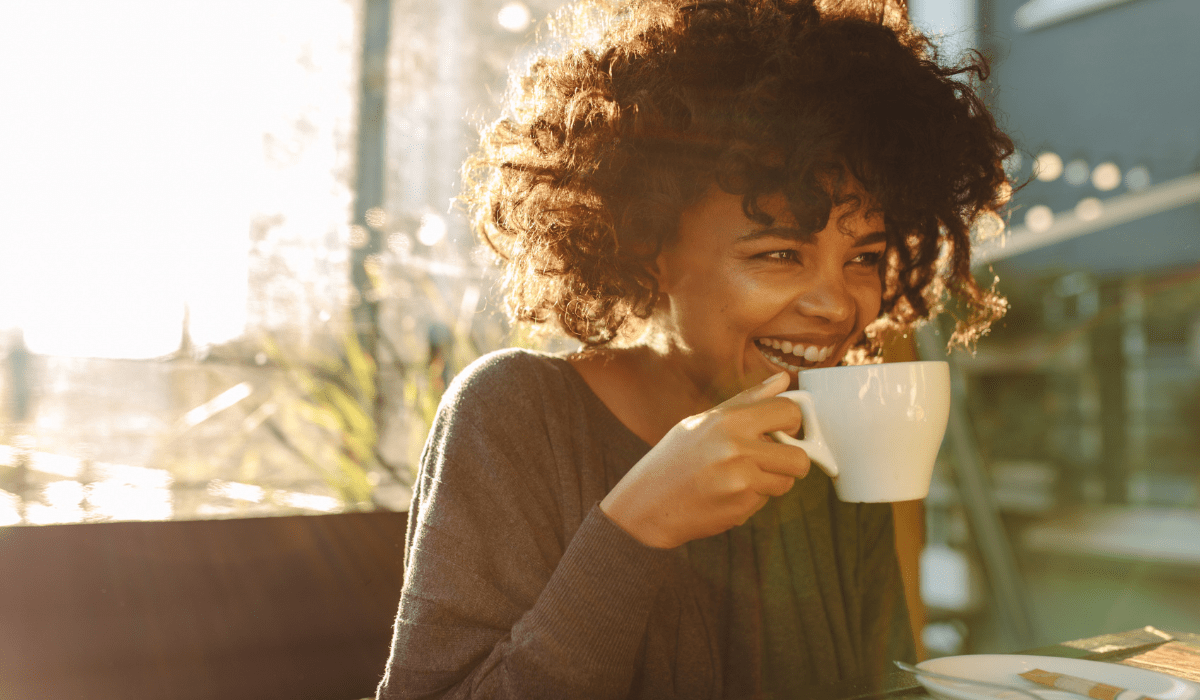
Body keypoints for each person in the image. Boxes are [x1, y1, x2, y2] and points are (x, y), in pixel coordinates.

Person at [377, 0, 1012, 697]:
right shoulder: (515, 415)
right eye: (779, 253)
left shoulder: (832, 440)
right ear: (645, 244)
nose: (838, 306)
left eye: (865, 257)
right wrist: (635, 527)